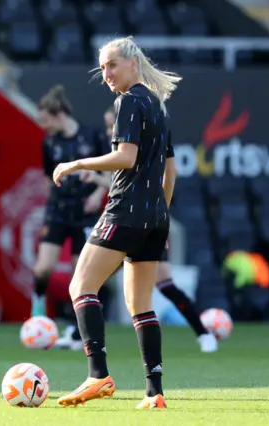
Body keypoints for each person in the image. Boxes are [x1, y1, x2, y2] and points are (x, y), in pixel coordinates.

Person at [52, 36, 182, 409]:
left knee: (81, 286)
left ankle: (98, 375)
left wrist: (77, 163)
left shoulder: (128, 101)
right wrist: (163, 216)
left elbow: (125, 158)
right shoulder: (158, 105)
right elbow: (169, 171)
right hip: (154, 217)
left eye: (112, 65)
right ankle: (154, 392)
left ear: (133, 64)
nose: (105, 73)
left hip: (125, 210)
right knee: (141, 306)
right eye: (102, 67)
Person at [82, 111, 218, 354]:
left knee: (162, 284)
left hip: (138, 224)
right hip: (129, 223)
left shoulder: (138, 146)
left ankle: (203, 333)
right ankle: (81, 336)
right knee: (91, 282)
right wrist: (96, 187)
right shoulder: (121, 147)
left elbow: (139, 184)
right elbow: (115, 183)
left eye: (110, 125)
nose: (107, 131)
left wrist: (90, 173)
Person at [31, 84, 109, 350]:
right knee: (43, 268)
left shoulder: (92, 137)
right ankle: (38, 312)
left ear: (59, 114)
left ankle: (78, 329)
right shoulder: (49, 142)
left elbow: (109, 173)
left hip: (85, 213)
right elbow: (45, 175)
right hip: (58, 210)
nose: (44, 126)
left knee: (81, 274)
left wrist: (97, 193)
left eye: (45, 120)